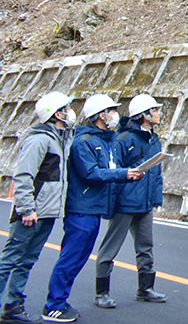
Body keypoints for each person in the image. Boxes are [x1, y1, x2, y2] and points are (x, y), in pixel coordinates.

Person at [41, 94, 142, 324]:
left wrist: (127, 175)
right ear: (100, 116)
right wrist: (123, 174)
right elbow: (91, 173)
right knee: (71, 257)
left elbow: (112, 168)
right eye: (112, 111)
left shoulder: (106, 140)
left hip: (94, 209)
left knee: (79, 258)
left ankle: (59, 301)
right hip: (81, 210)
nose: (116, 115)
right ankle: (53, 305)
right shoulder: (83, 142)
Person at [0, 92, 75, 323]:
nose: (70, 111)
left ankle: (13, 305)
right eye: (66, 108)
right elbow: (23, 176)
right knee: (10, 260)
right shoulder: (39, 139)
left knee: (28, 260)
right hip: (31, 212)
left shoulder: (59, 138)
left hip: (47, 212)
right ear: (56, 114)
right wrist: (26, 209)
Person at [94, 94, 166, 308]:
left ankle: (145, 288)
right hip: (125, 202)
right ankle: (102, 293)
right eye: (155, 110)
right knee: (111, 246)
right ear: (144, 115)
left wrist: (156, 197)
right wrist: (113, 201)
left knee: (146, 246)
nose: (158, 114)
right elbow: (114, 170)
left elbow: (157, 172)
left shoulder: (154, 139)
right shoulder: (123, 139)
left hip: (144, 202)